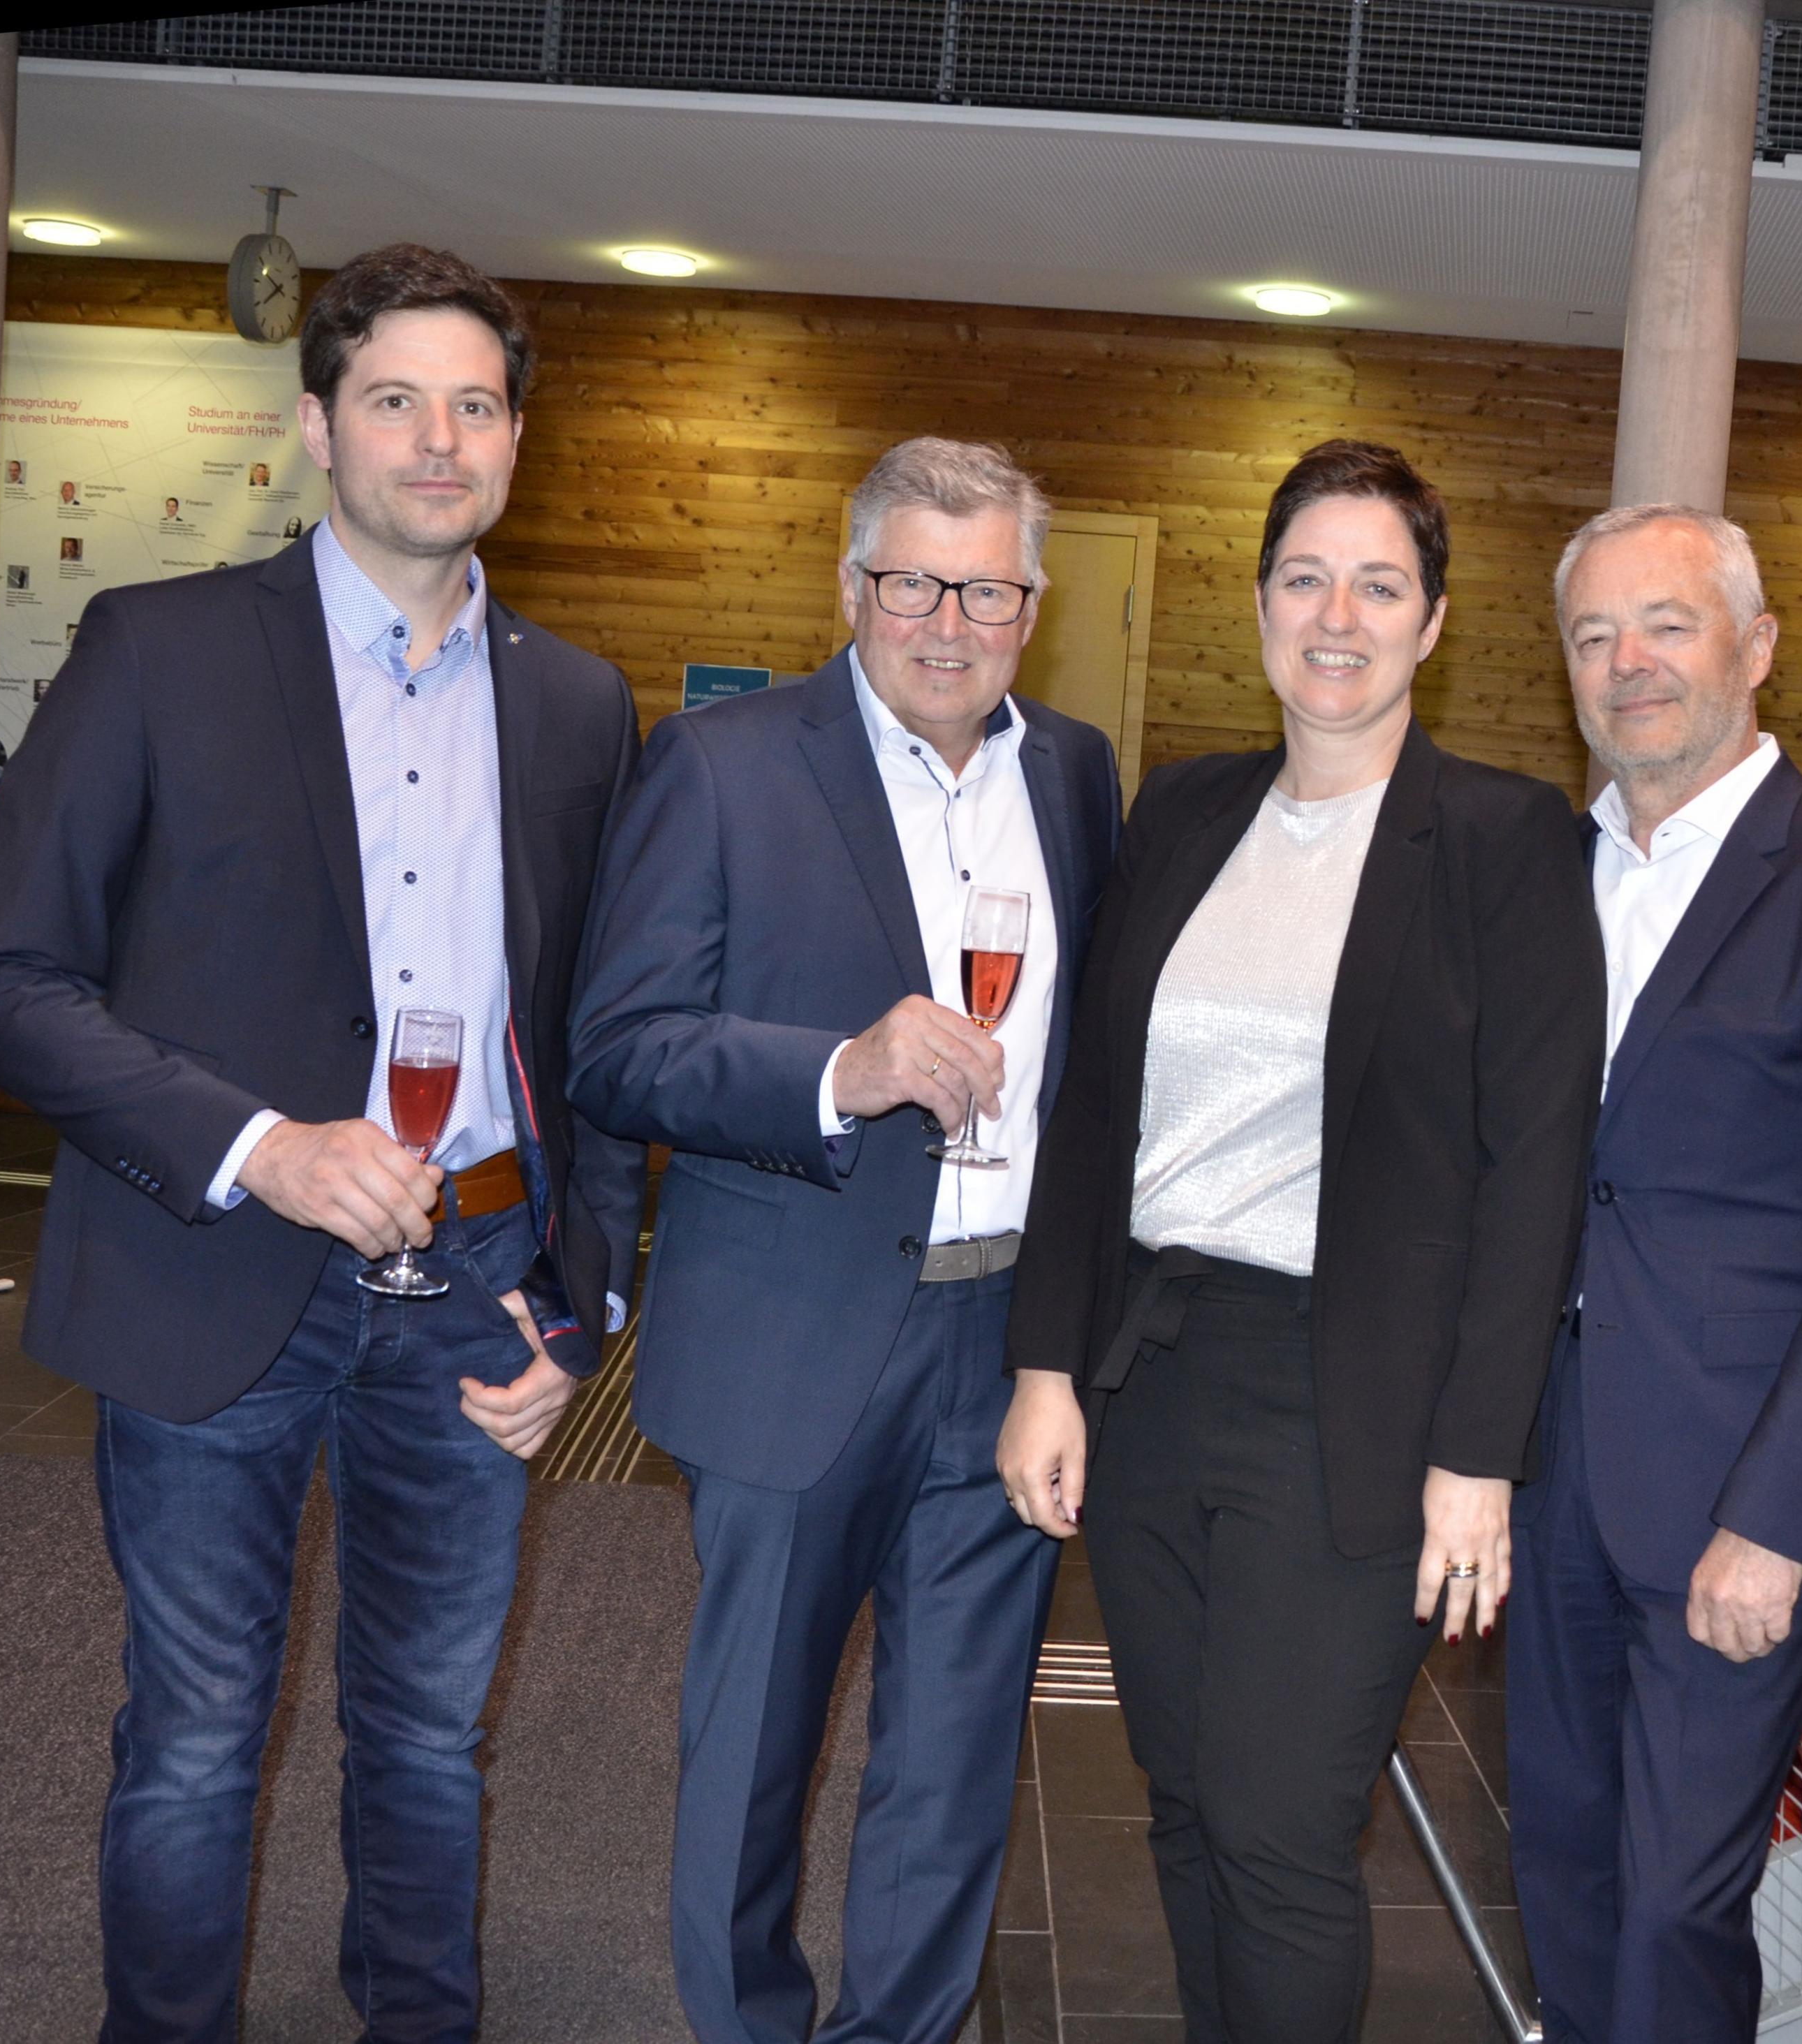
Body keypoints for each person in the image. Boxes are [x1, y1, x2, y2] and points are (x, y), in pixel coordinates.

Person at [0, 243, 645, 2043]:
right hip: (213, 1266)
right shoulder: (159, 650)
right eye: (395, 399)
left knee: (429, 1732)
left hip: (475, 1281)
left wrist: (576, 1304)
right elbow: (6, 983)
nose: (439, 438)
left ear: (516, 438)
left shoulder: (576, 703)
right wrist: (257, 1145)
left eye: (476, 404)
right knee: (195, 1734)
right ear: (320, 426)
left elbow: (586, 1035)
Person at [1000, 439, 1605, 2041]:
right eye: (1304, 579)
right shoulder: (1185, 807)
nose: (1336, 616)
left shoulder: (1503, 839)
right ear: (1261, 602)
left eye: (1377, 586)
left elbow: (1534, 1174)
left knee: (1277, 1828)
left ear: (1432, 622)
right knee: (1185, 1797)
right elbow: (1092, 1109)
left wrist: (1476, 1458)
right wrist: (1047, 1365)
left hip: (1353, 1403)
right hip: (1150, 1371)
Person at [567, 437, 1120, 2044]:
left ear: (1033, 604)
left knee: (953, 1766)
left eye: (986, 590)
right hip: (793, 1335)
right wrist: (836, 1073)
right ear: (849, 587)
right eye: (911, 584)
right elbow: (618, 1050)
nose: (947, 623)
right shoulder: (722, 765)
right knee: (753, 1752)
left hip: (1007, 1342)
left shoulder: (1075, 772)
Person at [1502, 505, 1802, 2039]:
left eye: (1667, 624)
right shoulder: (1545, 874)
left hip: (1734, 1497)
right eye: (1593, 635)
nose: (1627, 662)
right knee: (1563, 1871)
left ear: (1756, 647)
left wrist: (1776, 1521)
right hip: (1545, 1479)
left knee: (1671, 1908)